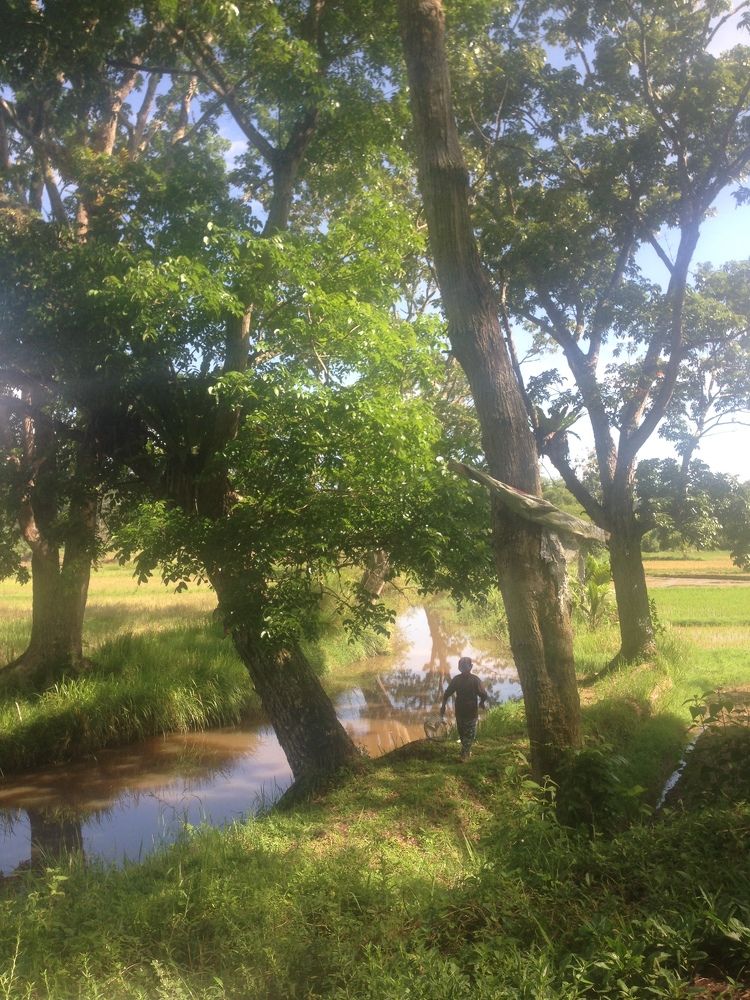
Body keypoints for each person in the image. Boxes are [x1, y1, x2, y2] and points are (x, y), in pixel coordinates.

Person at [440, 656, 488, 762]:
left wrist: (481, 702)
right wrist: (482, 702)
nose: (463, 668)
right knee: (465, 734)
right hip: (465, 712)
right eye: (462, 666)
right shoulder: (468, 680)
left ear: (470, 667)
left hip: (465, 712)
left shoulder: (464, 680)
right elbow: (484, 694)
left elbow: (447, 694)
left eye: (464, 666)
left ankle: (464, 753)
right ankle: (465, 752)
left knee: (466, 734)